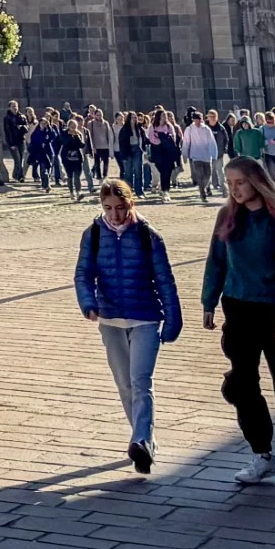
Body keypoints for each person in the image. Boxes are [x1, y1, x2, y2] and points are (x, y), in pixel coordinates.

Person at [203, 157, 275, 486]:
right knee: (243, 384)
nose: (234, 189)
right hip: (239, 309)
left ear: (256, 181)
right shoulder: (227, 216)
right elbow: (216, 261)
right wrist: (209, 301)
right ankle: (262, 455)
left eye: (240, 182)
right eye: (229, 183)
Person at [74, 175, 183, 474]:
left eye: (120, 207)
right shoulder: (93, 234)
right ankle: (144, 438)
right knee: (124, 384)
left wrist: (173, 320)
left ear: (130, 203)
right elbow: (83, 273)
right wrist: (88, 303)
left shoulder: (148, 235)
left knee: (140, 381)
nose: (115, 214)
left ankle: (141, 440)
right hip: (109, 319)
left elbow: (165, 281)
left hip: (145, 317)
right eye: (108, 208)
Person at [182, 110, 223, 202]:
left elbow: (211, 142)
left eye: (199, 119)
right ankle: (202, 193)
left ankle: (204, 188)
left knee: (207, 175)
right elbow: (186, 142)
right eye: (196, 119)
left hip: (206, 156)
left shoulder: (206, 129)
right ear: (193, 120)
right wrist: (185, 154)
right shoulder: (189, 129)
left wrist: (214, 154)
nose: (198, 121)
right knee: (200, 175)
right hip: (195, 156)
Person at [146, 111, 182, 202]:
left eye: (165, 115)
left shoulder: (169, 126)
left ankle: (165, 190)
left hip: (168, 151)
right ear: (159, 116)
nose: (165, 117)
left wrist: (166, 140)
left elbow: (173, 136)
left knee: (168, 171)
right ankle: (164, 190)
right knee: (163, 171)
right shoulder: (153, 126)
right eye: (163, 115)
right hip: (158, 151)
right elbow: (151, 138)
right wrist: (160, 141)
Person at [57, 111, 88, 200]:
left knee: (77, 175)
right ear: (68, 126)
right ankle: (71, 192)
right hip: (67, 157)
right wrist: (71, 137)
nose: (73, 128)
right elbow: (64, 142)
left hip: (77, 157)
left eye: (75, 126)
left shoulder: (78, 134)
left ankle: (79, 192)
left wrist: (77, 137)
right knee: (70, 176)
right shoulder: (64, 133)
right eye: (71, 126)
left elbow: (82, 145)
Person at [26, 111, 59, 194]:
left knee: (48, 168)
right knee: (44, 169)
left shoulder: (49, 130)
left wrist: (49, 127)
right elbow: (33, 141)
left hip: (49, 152)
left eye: (45, 123)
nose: (44, 125)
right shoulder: (36, 132)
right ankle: (47, 185)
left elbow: (54, 136)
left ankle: (45, 184)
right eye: (42, 123)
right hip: (40, 153)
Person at [1, 100, 28, 182]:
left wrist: (22, 127)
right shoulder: (7, 118)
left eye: (16, 106)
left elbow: (26, 127)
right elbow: (7, 131)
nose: (15, 108)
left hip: (21, 140)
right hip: (13, 141)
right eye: (13, 106)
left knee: (20, 159)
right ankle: (20, 176)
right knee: (17, 159)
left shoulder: (22, 116)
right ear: (9, 108)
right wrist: (11, 143)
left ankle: (16, 175)